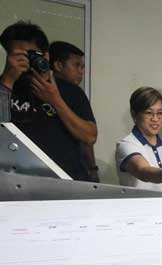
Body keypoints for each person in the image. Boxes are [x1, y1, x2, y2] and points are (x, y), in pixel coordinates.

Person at [0, 21, 97, 182]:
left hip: (68, 179)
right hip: (17, 181)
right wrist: (8, 80)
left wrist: (55, 100)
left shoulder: (70, 91)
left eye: (31, 55)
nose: (27, 61)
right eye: (19, 55)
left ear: (46, 56)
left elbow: (89, 136)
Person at [116, 86, 162, 192]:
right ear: (134, 114)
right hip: (136, 207)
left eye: (160, 113)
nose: (155, 119)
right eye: (149, 113)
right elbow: (144, 172)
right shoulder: (126, 145)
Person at [49, 40, 100, 183]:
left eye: (82, 67)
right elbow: (90, 136)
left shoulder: (75, 92)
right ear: (58, 65)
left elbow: (86, 137)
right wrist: (93, 170)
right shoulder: (74, 92)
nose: (81, 72)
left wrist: (92, 168)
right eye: (77, 66)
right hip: (70, 173)